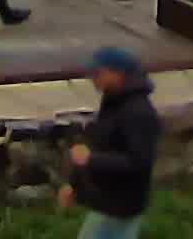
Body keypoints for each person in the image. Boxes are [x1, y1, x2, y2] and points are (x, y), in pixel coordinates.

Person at [61, 45, 159, 239]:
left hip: (122, 206)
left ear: (118, 73)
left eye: (98, 73)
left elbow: (139, 162)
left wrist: (91, 159)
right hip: (107, 202)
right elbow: (103, 145)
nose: (93, 78)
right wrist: (76, 185)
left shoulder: (138, 112)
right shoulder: (113, 101)